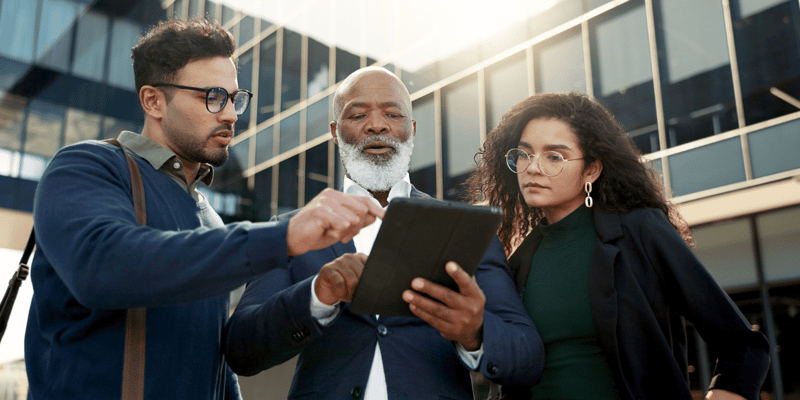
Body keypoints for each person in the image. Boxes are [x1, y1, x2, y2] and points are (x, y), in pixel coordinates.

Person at [24, 18, 383, 400]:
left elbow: (214, 364)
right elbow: (102, 265)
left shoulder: (208, 215)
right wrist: (285, 235)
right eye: (212, 97)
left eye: (234, 98)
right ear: (153, 101)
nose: (230, 114)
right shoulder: (87, 166)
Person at [222, 66, 544, 399]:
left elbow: (527, 356)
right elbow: (241, 349)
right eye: (358, 115)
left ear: (413, 129)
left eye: (393, 114)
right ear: (335, 132)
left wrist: (475, 332)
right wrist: (319, 293)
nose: (377, 125)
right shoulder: (291, 230)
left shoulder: (465, 229)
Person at [463, 91, 771, 400]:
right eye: (525, 154)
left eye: (554, 156)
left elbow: (742, 347)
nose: (532, 167)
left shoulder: (640, 230)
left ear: (591, 170)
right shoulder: (519, 261)